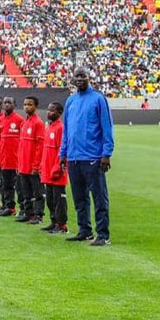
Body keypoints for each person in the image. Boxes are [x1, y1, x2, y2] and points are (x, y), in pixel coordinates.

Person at [59, 67, 114, 245]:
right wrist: (63, 153)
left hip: (93, 157)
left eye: (83, 76)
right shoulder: (70, 101)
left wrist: (106, 154)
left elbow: (107, 127)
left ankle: (103, 235)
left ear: (89, 77)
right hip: (74, 157)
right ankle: (85, 230)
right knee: (79, 197)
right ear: (73, 79)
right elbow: (66, 130)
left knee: (99, 197)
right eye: (77, 76)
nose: (80, 79)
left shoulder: (98, 98)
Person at [17, 96, 45, 224]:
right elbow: (21, 146)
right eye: (25, 104)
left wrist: (36, 166)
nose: (27, 107)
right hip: (23, 165)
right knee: (26, 192)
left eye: (30, 104)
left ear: (35, 106)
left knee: (37, 192)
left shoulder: (38, 123)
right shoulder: (24, 122)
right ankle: (28, 214)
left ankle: (38, 215)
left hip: (33, 167)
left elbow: (40, 147)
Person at [41, 102, 68, 234]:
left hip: (56, 172)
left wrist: (57, 168)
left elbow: (62, 151)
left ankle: (62, 225)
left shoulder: (60, 128)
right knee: (50, 199)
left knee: (59, 200)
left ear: (59, 113)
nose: (48, 112)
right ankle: (54, 221)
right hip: (47, 170)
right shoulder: (49, 127)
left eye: (52, 110)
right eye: (48, 110)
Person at [0, 96, 24, 217]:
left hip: (16, 160)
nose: (7, 105)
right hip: (4, 159)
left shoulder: (19, 120)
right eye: (5, 102)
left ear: (14, 104)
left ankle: (24, 208)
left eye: (9, 103)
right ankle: (9, 206)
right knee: (6, 185)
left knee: (19, 187)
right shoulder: (0, 121)